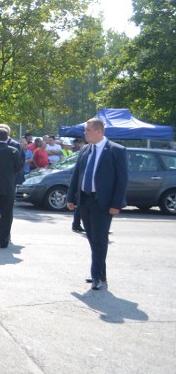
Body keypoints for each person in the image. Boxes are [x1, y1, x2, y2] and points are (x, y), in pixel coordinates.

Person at [67, 118, 128, 290]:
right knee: (92, 238)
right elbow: (77, 175)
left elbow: (122, 180)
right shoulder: (86, 149)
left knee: (100, 239)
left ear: (99, 131)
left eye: (87, 130)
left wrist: (116, 204)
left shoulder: (116, 150)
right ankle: (100, 272)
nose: (84, 133)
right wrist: (71, 198)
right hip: (85, 200)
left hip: (103, 202)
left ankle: (96, 276)